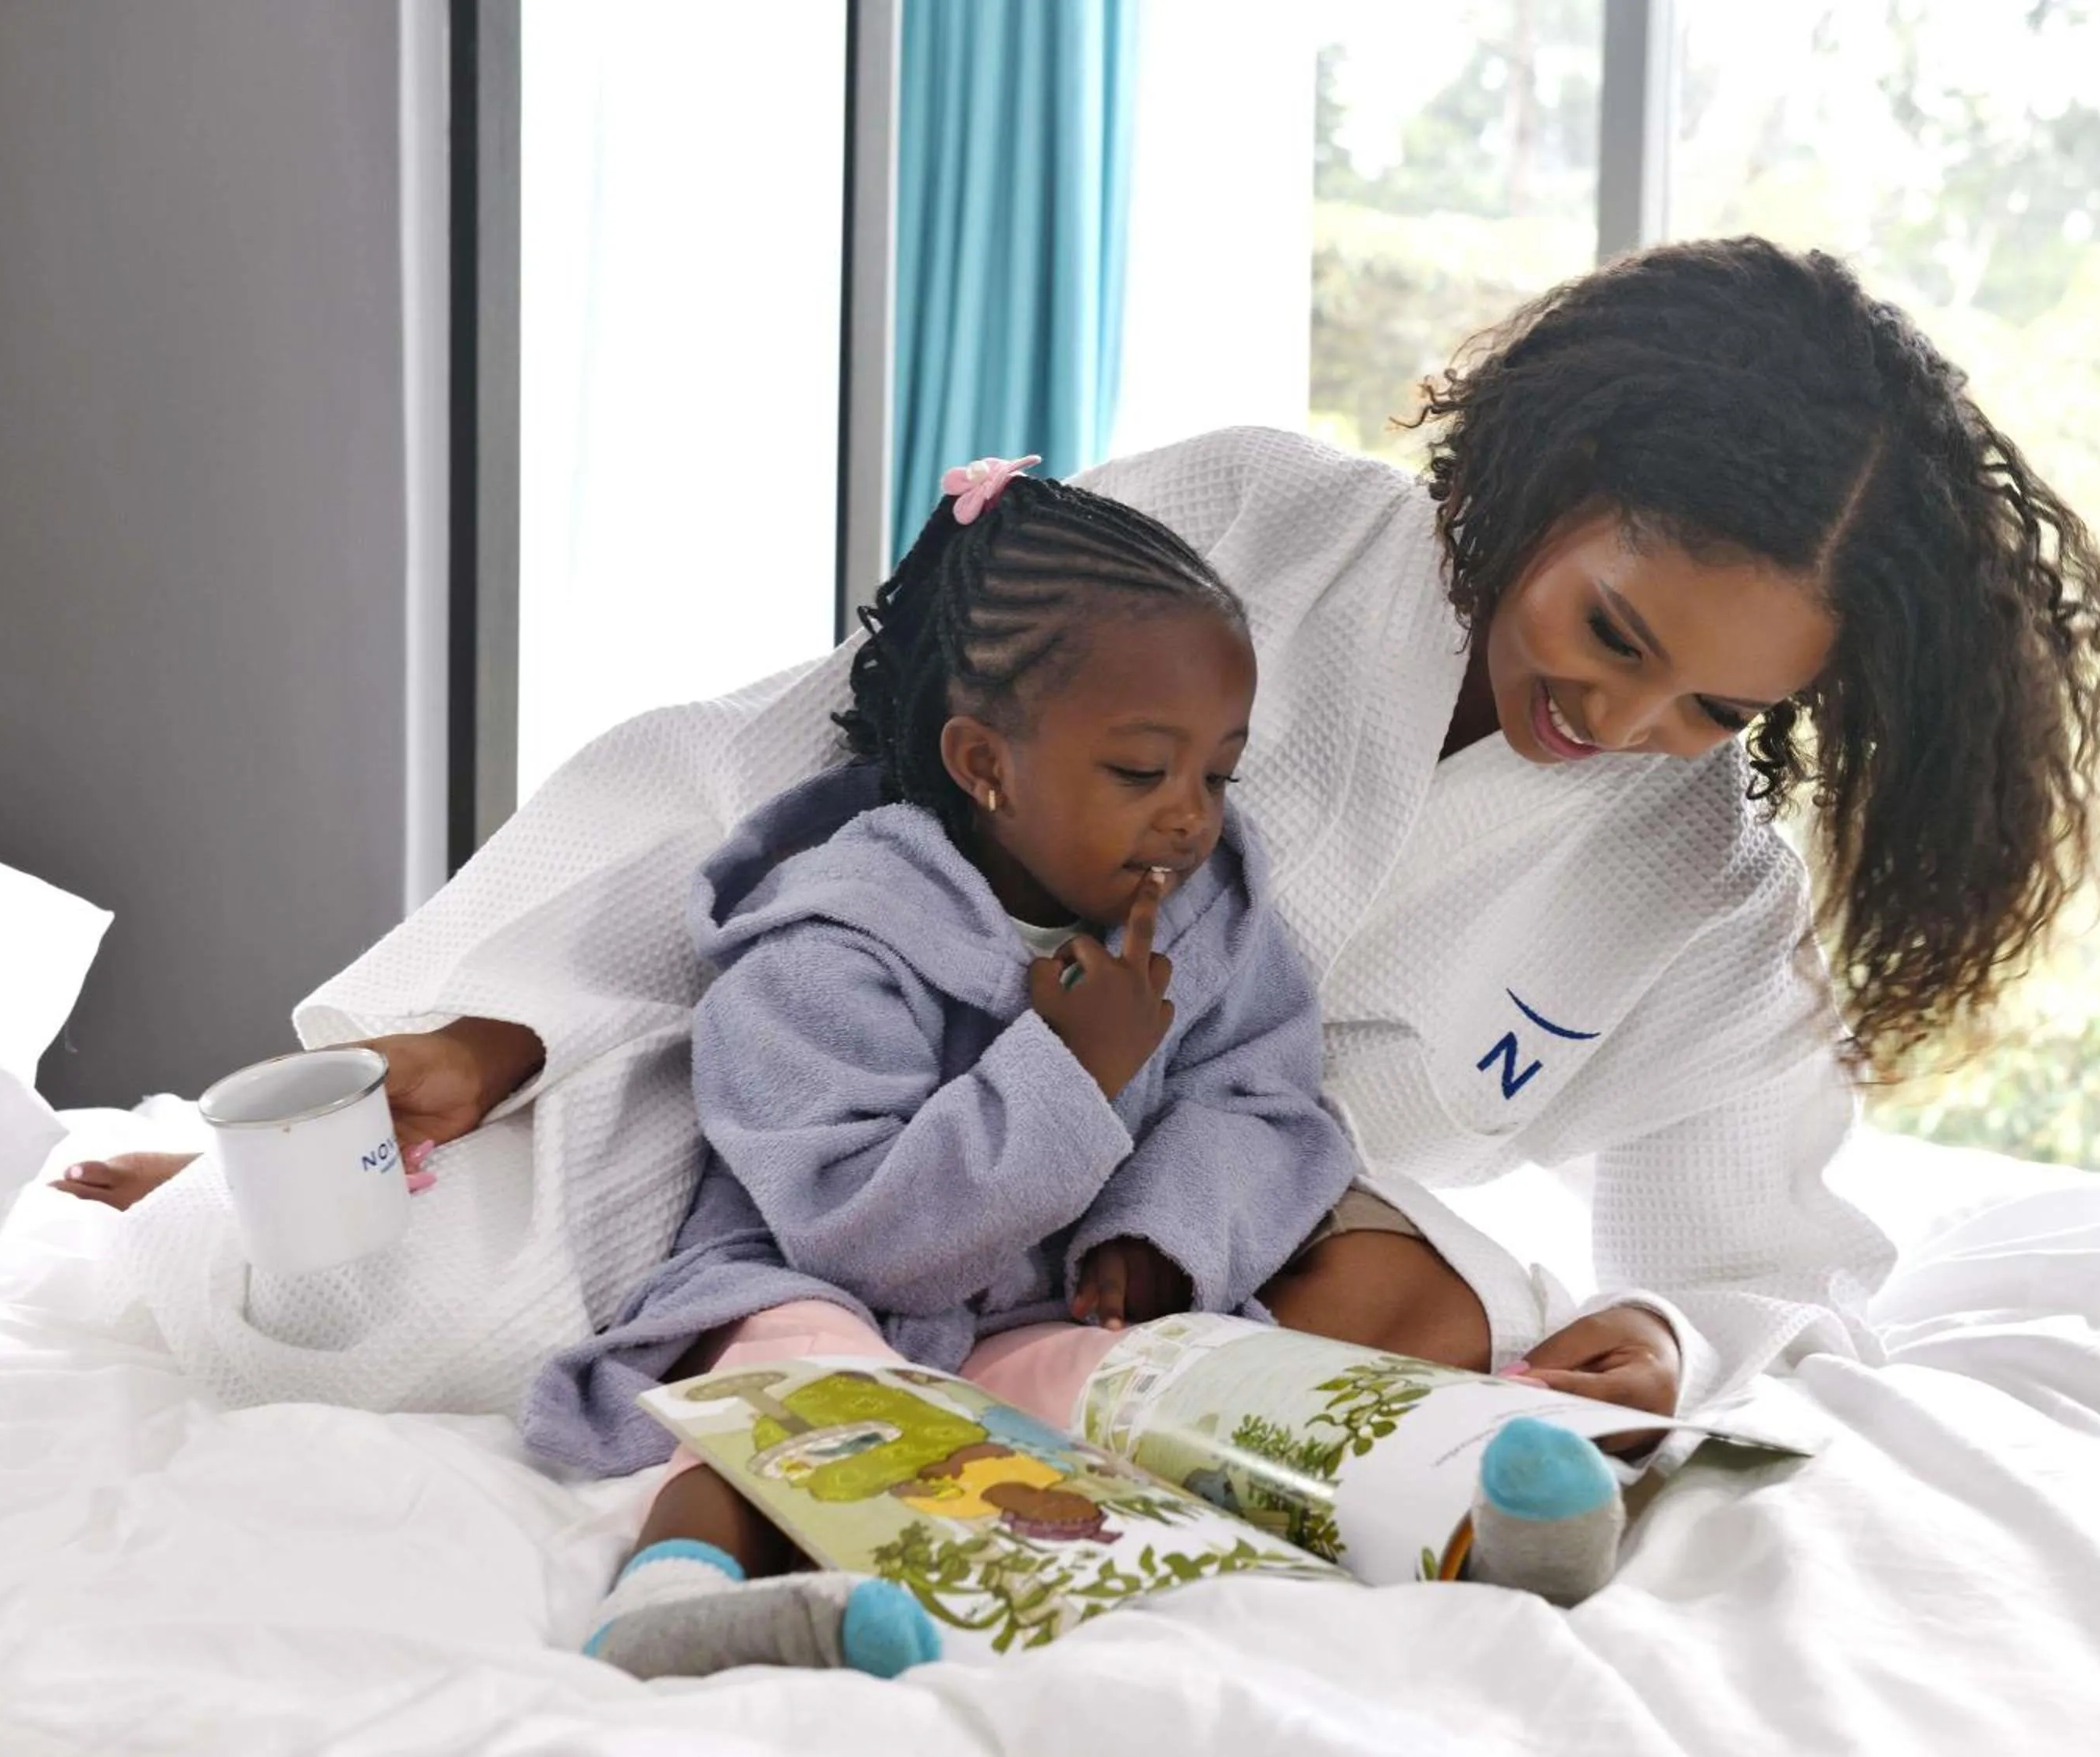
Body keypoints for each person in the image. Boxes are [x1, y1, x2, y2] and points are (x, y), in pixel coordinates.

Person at [62, 238, 2100, 1519]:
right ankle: (266, 1169)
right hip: (886, 1097)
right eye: (1614, 631)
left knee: (1415, 1318)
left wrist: (1671, 1334)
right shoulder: (1255, 520)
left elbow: (1776, 1253)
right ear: (1559, 472)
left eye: (1716, 710)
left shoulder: (1695, 890)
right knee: (311, 1304)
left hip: (1189, 1236)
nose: (1631, 721)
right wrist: (504, 1025)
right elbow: (780, 765)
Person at [537, 459, 1633, 1679]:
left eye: (1217, 772)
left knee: (1174, 1406)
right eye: (1140, 772)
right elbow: (852, 1231)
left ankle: (1476, 1525)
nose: (1189, 818)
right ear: (985, 762)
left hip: (1036, 1305)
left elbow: (1262, 1101)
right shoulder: (826, 937)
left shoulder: (1210, 908)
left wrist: (1158, 1230)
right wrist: (1066, 1069)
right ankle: (672, 1600)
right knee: (806, 1400)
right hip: (816, 1284)